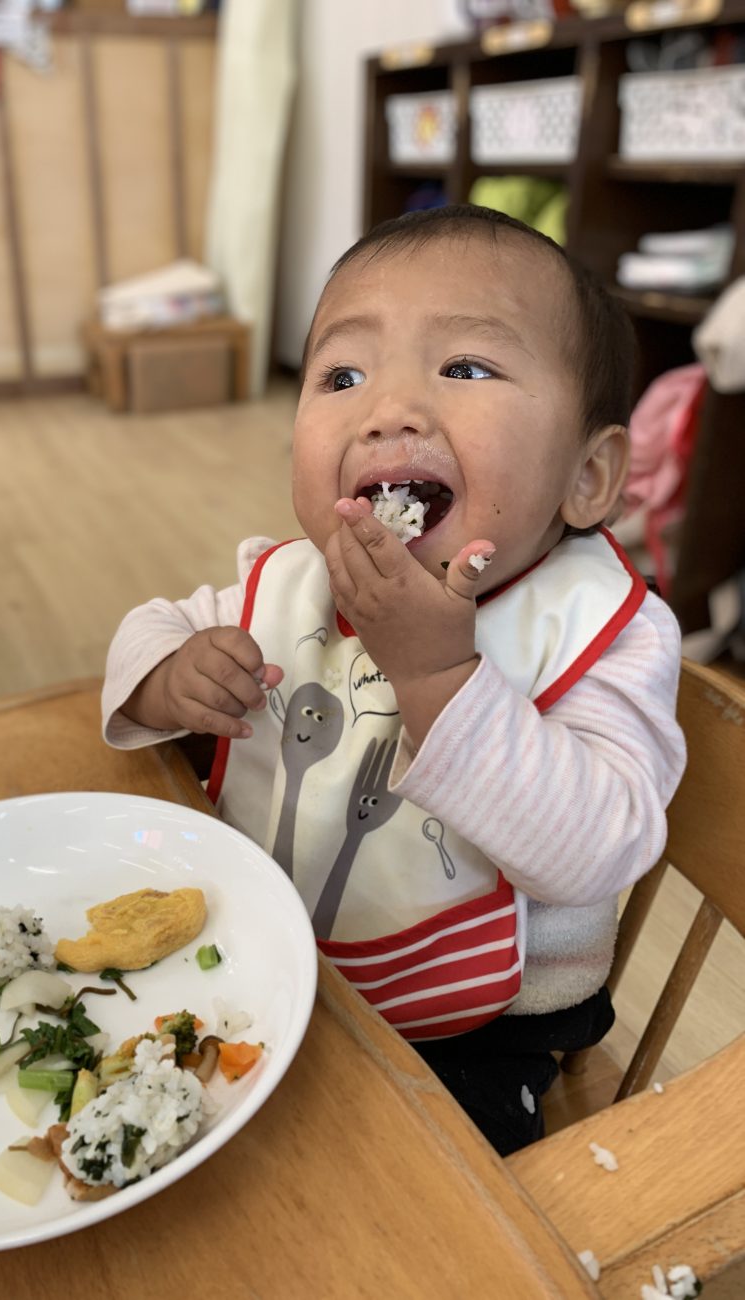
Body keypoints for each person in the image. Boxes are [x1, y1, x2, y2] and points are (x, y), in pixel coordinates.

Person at [101, 206, 686, 1155]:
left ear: (587, 475)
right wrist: (167, 677)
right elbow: (149, 629)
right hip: (261, 961)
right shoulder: (292, 580)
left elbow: (599, 847)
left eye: (465, 367)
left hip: (476, 1027)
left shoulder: (598, 632)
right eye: (342, 376)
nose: (389, 409)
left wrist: (436, 674)